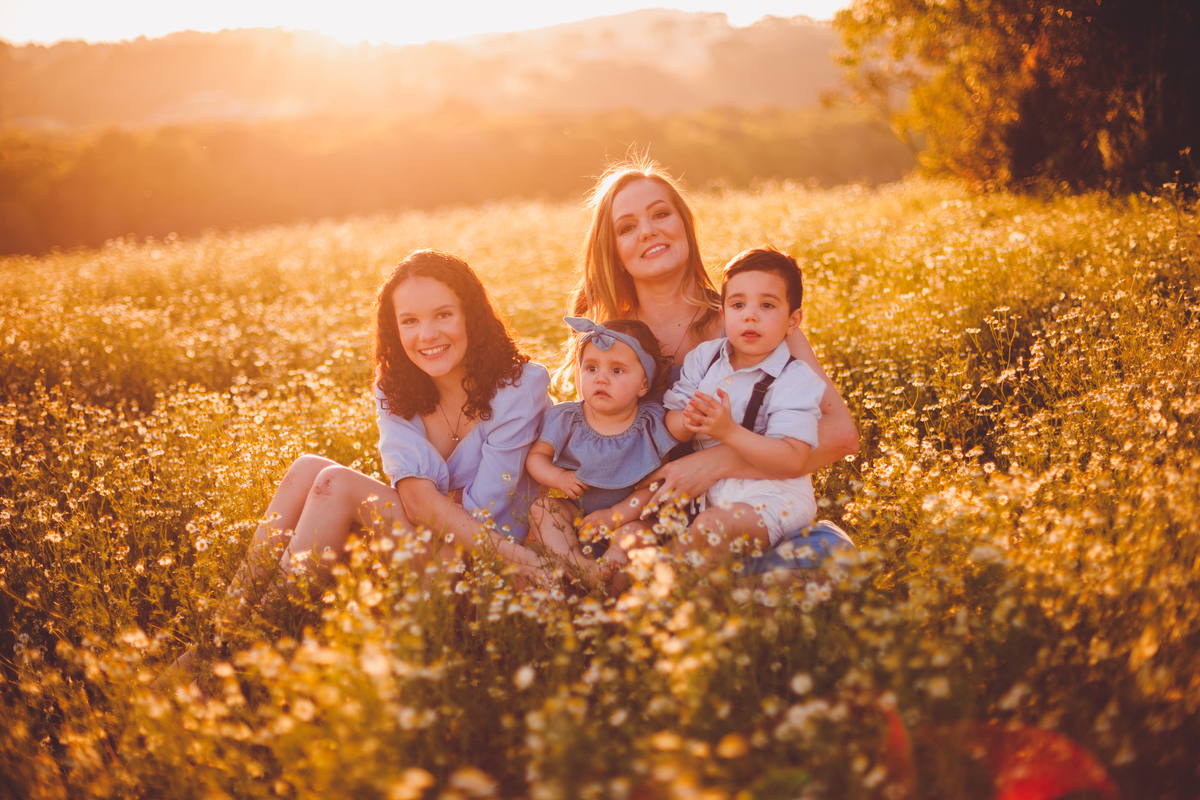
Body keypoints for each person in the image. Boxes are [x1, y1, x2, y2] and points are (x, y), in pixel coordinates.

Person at [156, 250, 551, 687]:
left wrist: (523, 560)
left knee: (336, 484)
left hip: (491, 561)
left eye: (443, 315)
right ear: (394, 328)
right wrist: (429, 501)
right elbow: (418, 503)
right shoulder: (395, 385)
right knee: (307, 468)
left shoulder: (519, 385)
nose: (427, 334)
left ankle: (241, 648)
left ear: (470, 316)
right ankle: (220, 635)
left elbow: (476, 515)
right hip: (432, 544)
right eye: (410, 321)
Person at [538, 158, 858, 570]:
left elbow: (840, 434)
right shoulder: (610, 343)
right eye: (627, 227)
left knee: (827, 557)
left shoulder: (752, 317)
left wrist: (713, 462)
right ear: (614, 251)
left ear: (684, 225)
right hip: (643, 523)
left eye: (660, 214)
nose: (648, 230)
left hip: (740, 513)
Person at [662, 247, 824, 567]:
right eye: (738, 304)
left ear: (793, 321)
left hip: (775, 500)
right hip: (715, 500)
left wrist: (728, 431)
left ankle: (651, 592)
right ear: (724, 314)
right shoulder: (704, 359)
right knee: (691, 530)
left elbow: (793, 459)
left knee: (710, 529)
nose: (750, 315)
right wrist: (687, 420)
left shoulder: (795, 379)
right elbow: (672, 423)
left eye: (767, 305)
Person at [525, 317, 678, 579]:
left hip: (628, 517)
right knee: (542, 510)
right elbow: (537, 457)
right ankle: (576, 566)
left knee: (636, 535)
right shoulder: (566, 419)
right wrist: (558, 477)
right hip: (578, 514)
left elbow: (658, 485)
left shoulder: (650, 424)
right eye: (592, 368)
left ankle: (606, 577)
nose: (601, 379)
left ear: (644, 384)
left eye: (617, 371)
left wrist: (616, 515)